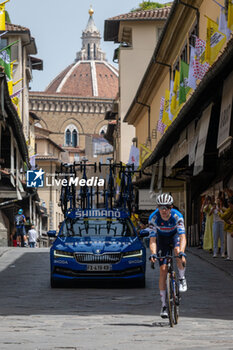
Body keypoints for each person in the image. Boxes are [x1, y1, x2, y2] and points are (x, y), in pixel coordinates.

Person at [148, 193, 187, 319]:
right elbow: (152, 240)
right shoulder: (153, 218)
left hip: (174, 236)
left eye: (166, 207)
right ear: (158, 208)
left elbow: (182, 237)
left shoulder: (177, 216)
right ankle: (164, 305)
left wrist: (181, 251)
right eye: (161, 207)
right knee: (163, 271)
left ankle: (181, 278)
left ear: (171, 207)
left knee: (177, 251)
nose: (164, 210)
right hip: (162, 240)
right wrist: (153, 253)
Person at [219, 195, 233, 261]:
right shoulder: (230, 209)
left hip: (230, 228)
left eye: (229, 203)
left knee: (230, 244)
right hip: (230, 227)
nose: (229, 205)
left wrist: (219, 212)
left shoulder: (231, 209)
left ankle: (230, 257)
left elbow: (223, 216)